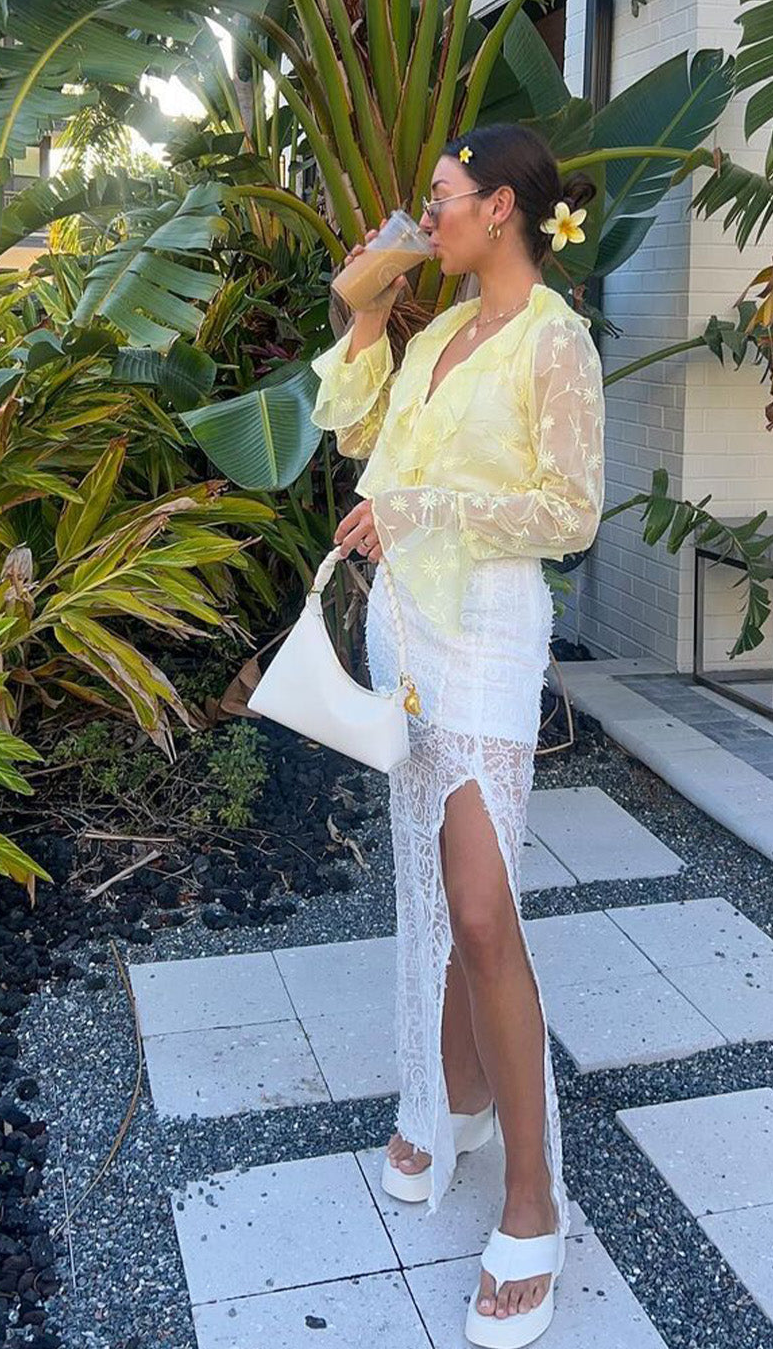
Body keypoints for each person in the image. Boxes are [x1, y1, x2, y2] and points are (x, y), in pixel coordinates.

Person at [309, 122, 605, 1348]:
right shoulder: (436, 336)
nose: (423, 218)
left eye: (439, 198)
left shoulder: (554, 340)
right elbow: (355, 439)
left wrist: (423, 507)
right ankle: (456, 1093)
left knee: (484, 910)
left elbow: (569, 514)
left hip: (484, 634)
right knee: (436, 884)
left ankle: (532, 1206)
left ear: (499, 210)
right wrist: (366, 315)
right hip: (405, 631)